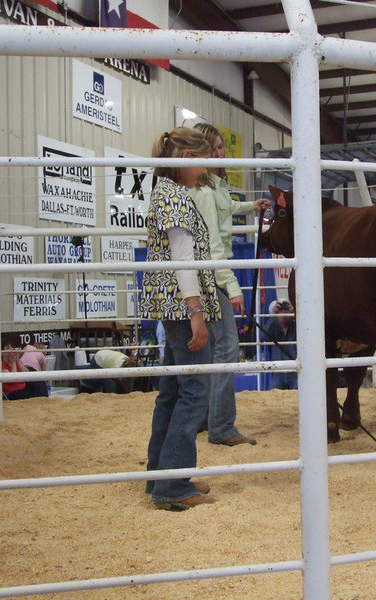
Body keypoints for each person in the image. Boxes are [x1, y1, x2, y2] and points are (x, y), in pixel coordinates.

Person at [140, 127, 221, 512]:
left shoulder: (165, 192)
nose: (204, 170)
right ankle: (172, 485)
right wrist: (196, 313)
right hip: (180, 306)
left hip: (169, 306)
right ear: (187, 158)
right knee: (193, 392)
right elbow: (182, 259)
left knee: (172, 391)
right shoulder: (175, 196)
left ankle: (162, 474)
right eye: (201, 161)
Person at [189, 122, 269, 447]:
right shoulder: (206, 192)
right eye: (214, 148)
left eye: (222, 147)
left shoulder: (214, 186)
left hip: (209, 273)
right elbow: (213, 247)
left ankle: (205, 418)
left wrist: (251, 206)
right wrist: (233, 288)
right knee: (227, 347)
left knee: (211, 348)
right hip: (212, 274)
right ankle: (221, 426)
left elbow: (229, 208)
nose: (220, 153)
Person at [1, 334, 49, 400]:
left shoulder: (17, 362)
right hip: (13, 392)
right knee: (35, 390)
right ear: (3, 353)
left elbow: (27, 374)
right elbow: (12, 379)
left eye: (11, 347)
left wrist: (17, 360)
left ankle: (45, 400)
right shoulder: (2, 365)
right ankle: (42, 399)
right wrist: (13, 362)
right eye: (8, 348)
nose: (11, 349)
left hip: (23, 387)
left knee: (38, 380)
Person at [264, 299, 298, 389]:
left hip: (294, 371)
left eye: (286, 311)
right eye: (280, 312)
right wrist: (273, 316)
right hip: (278, 372)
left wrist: (295, 313)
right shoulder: (273, 328)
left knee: (298, 390)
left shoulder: (296, 327)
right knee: (272, 391)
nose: (283, 315)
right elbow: (263, 335)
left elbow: (305, 331)